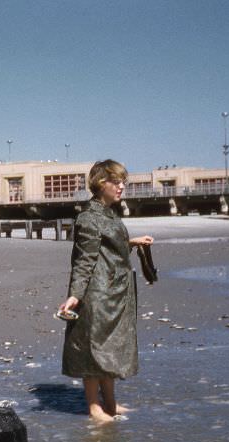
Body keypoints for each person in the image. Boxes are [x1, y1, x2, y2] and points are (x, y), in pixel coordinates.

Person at [58, 159, 154, 423]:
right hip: (97, 293)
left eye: (123, 181)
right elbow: (84, 260)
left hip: (116, 291)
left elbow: (109, 242)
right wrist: (75, 295)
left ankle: (110, 402)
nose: (122, 186)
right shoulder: (88, 217)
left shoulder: (109, 212)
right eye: (116, 181)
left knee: (110, 348)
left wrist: (131, 241)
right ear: (101, 184)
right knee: (94, 348)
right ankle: (94, 407)